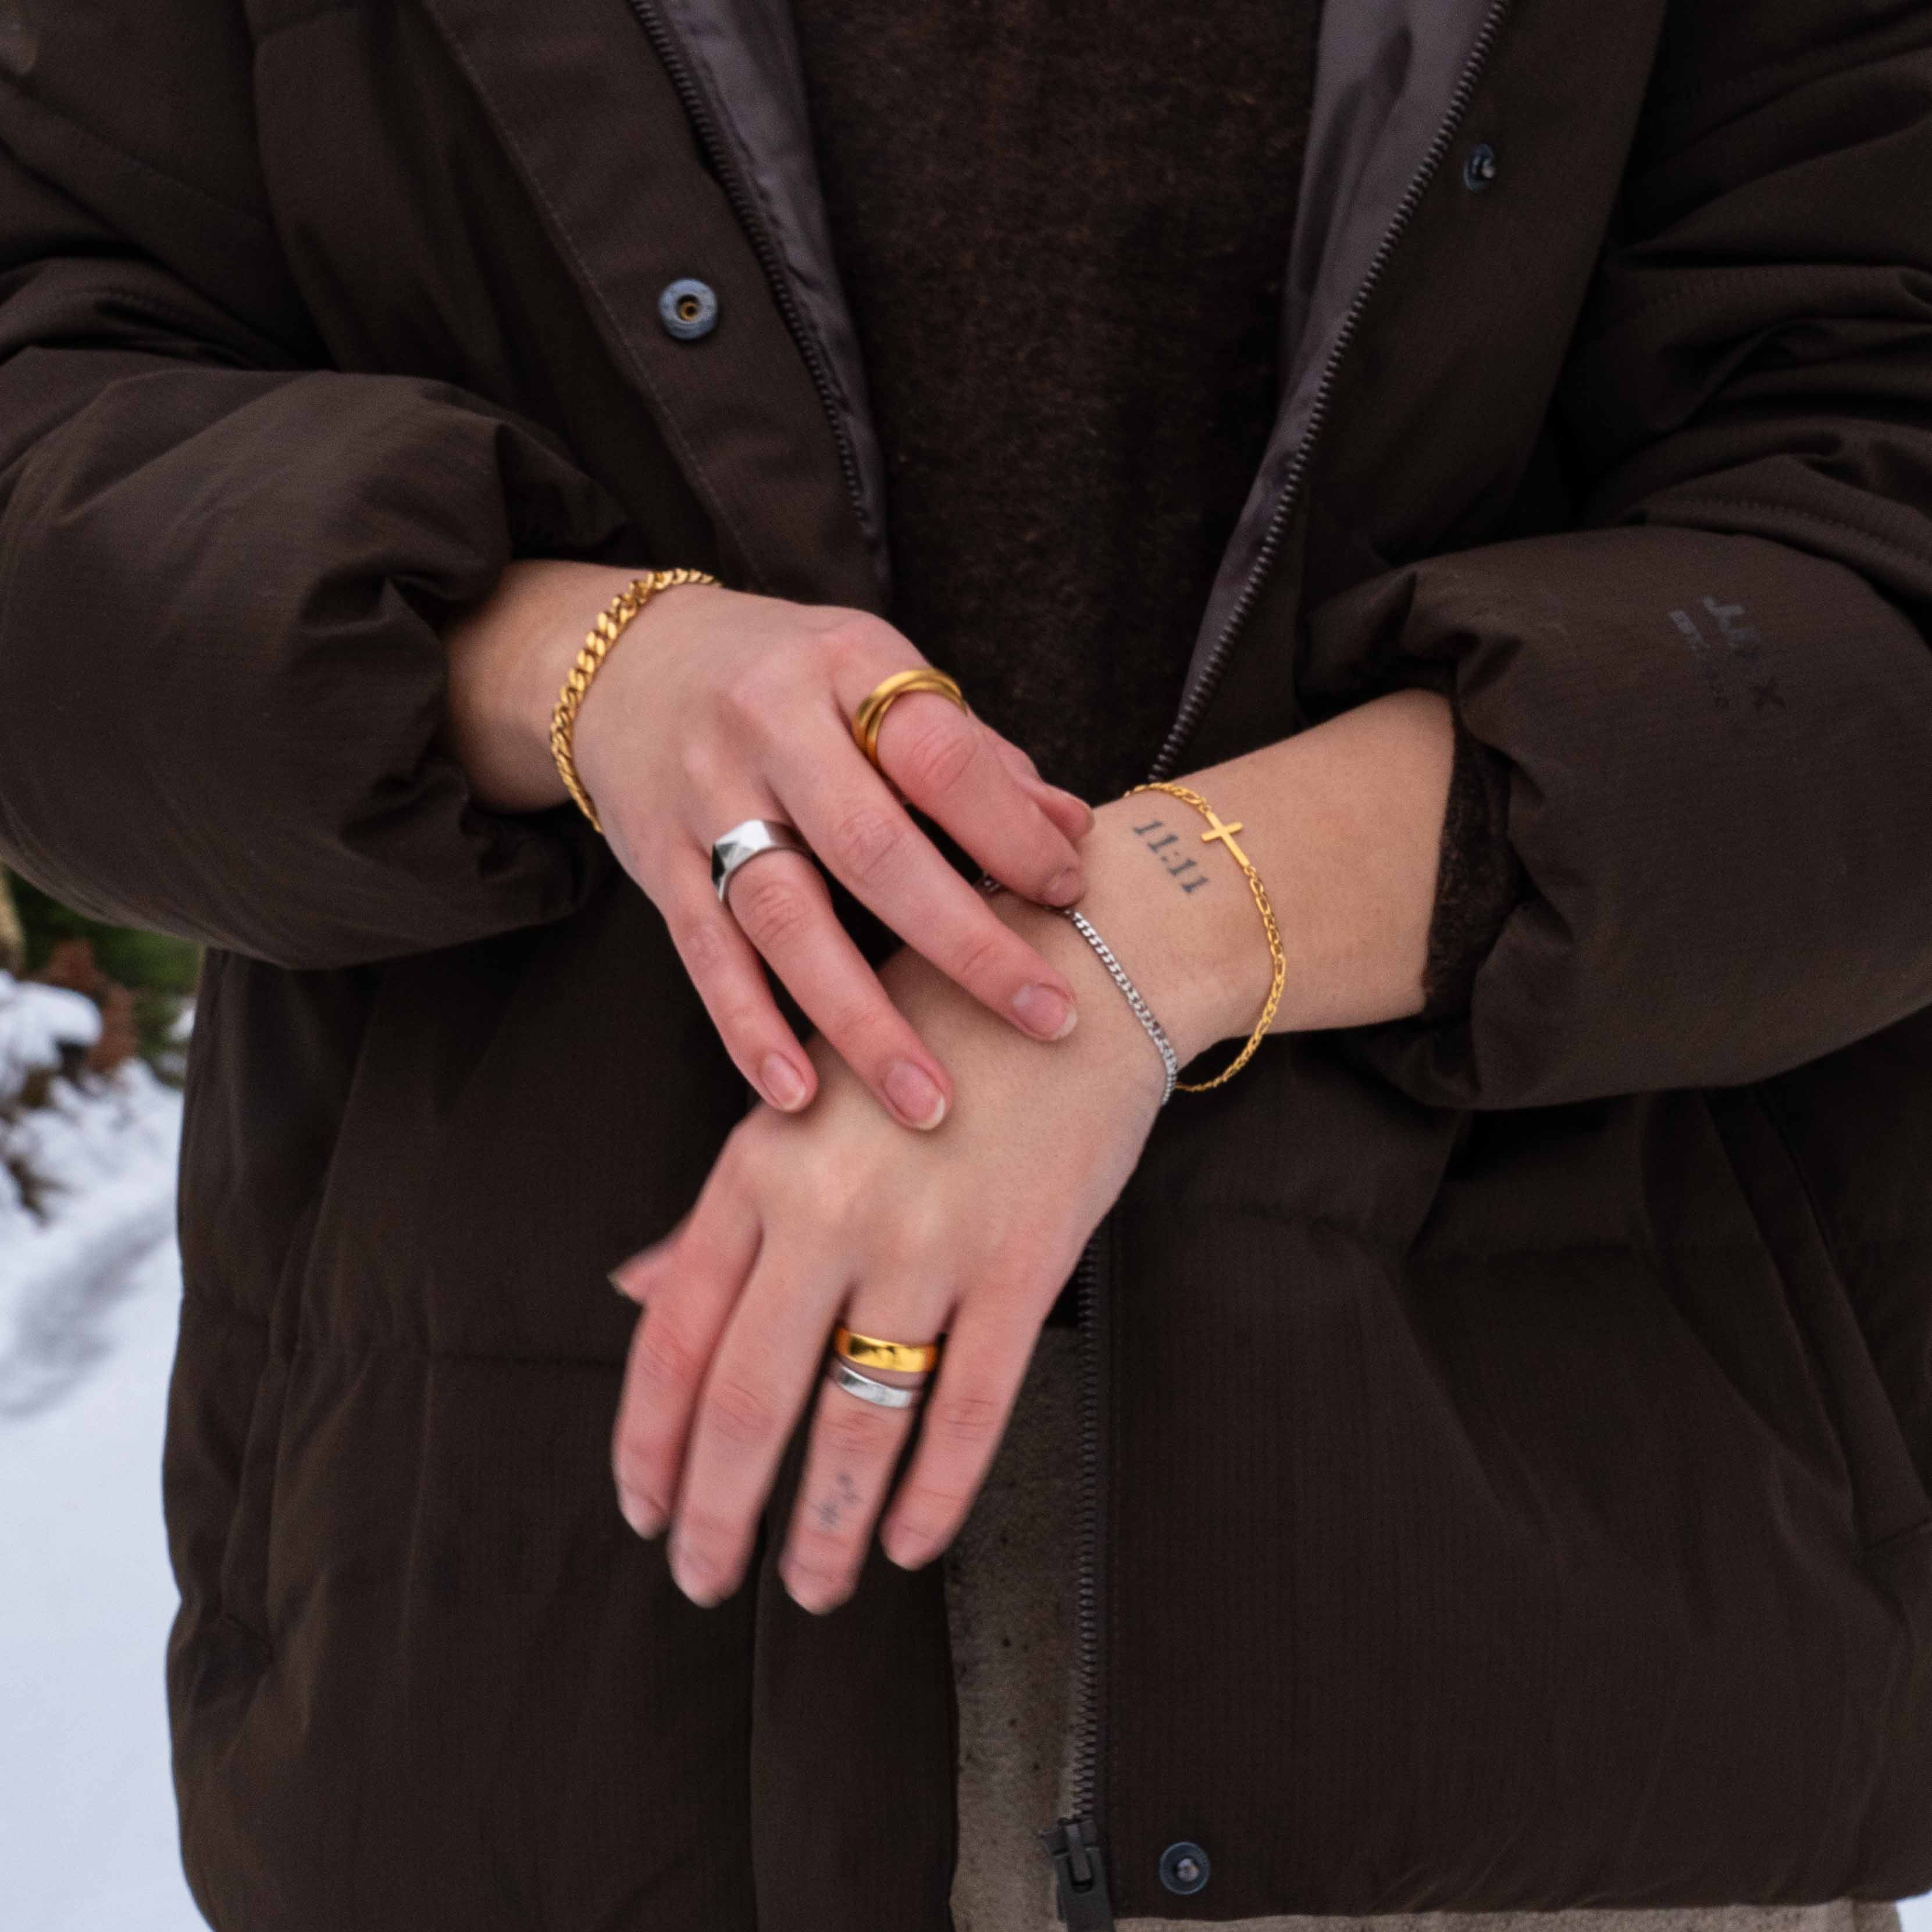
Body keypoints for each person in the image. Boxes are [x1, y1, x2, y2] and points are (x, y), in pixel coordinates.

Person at [1, 2, 1930, 1930]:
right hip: (542, 1619)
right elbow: (50, 451)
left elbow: (1871, 530)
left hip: (1570, 1627)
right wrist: (579, 669)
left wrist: (1155, 934)